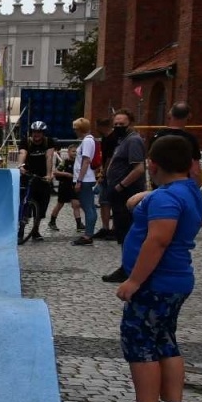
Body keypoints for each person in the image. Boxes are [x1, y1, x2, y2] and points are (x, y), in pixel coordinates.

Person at [113, 135, 202, 402]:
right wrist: (144, 197)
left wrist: (134, 280)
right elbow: (166, 196)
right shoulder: (188, 190)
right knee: (165, 341)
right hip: (176, 280)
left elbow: (159, 239)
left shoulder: (166, 199)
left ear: (152, 164)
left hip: (155, 282)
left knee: (139, 341)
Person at [101, 110, 148, 282]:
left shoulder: (133, 140)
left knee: (128, 232)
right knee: (122, 232)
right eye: (116, 124)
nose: (118, 127)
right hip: (120, 193)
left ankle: (129, 269)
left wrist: (120, 186)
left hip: (127, 194)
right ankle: (127, 266)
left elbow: (139, 169)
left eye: (122, 124)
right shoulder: (123, 140)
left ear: (131, 123)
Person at [19, 121, 55, 241]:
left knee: (41, 205)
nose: (36, 135)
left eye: (39, 132)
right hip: (28, 175)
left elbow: (49, 157)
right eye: (34, 132)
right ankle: (21, 229)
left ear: (43, 133)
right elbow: (23, 153)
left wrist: (49, 174)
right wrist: (20, 166)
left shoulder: (48, 142)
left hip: (42, 177)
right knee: (25, 202)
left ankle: (36, 230)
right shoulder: (26, 142)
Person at [149, 102, 202, 182]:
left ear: (170, 114)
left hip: (160, 186)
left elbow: (151, 165)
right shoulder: (190, 139)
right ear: (189, 116)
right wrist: (197, 189)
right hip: (182, 187)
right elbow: (195, 171)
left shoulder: (157, 136)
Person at [70, 117, 99, 244]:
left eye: (76, 129)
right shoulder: (89, 140)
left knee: (88, 207)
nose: (74, 131)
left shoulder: (87, 141)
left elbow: (86, 161)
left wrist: (79, 180)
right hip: (87, 178)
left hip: (85, 179)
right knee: (90, 206)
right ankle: (89, 233)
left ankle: (88, 235)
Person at [95, 116, 119, 238]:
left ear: (101, 126)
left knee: (112, 201)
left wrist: (103, 172)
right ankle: (105, 228)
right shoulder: (105, 138)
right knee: (104, 201)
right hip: (106, 173)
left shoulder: (113, 138)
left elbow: (110, 158)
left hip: (111, 174)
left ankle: (115, 228)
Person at [48, 145, 81, 232]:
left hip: (73, 186)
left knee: (76, 204)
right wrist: (66, 174)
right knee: (60, 204)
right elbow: (56, 172)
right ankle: (52, 221)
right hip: (64, 185)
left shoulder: (78, 162)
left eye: (76, 151)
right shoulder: (65, 162)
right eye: (73, 151)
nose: (75, 153)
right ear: (68, 152)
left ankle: (79, 224)